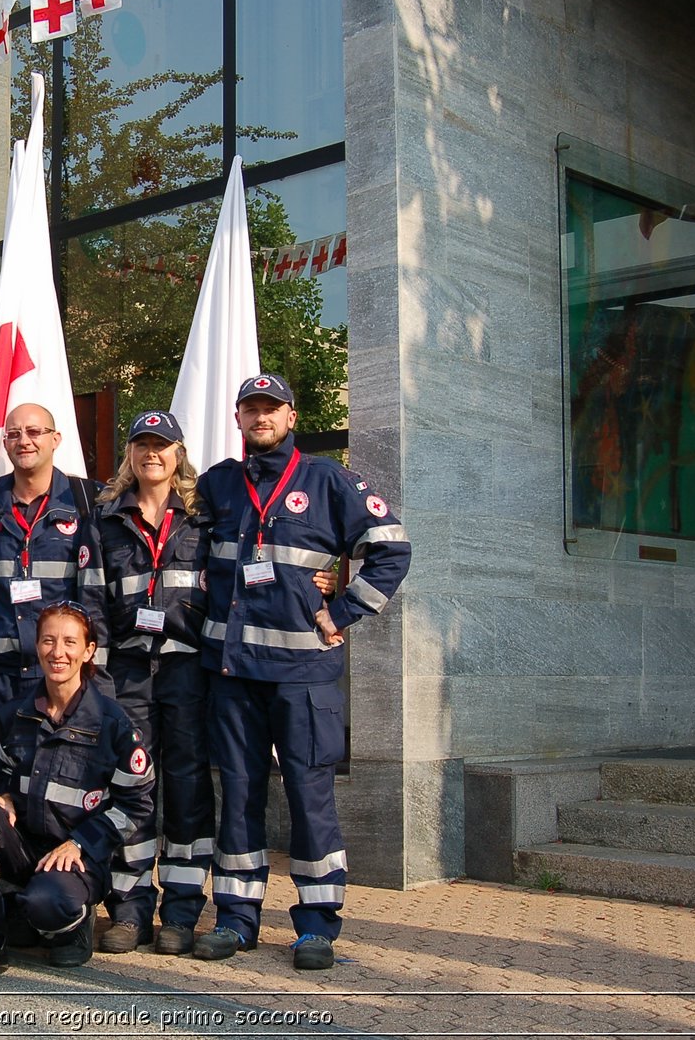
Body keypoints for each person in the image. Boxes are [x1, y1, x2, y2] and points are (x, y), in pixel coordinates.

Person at [86, 411, 339, 955]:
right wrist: (98, 674)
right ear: (129, 455)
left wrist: (330, 578)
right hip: (127, 673)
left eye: (163, 445)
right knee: (130, 788)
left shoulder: (207, 514)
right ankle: (129, 911)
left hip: (189, 671)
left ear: (179, 454)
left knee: (188, 791)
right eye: (142, 445)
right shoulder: (106, 519)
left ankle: (180, 911)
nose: (152, 454)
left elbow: (254, 564)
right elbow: (92, 604)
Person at [193, 374, 411, 970]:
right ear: (238, 418)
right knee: (237, 795)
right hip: (233, 674)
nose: (261, 417)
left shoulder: (328, 479)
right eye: (251, 409)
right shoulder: (216, 485)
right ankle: (237, 920)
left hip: (303, 674)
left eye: (272, 409)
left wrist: (340, 609)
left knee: (310, 796)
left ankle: (316, 927)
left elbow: (391, 546)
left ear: (291, 417)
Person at [0, 600, 154, 986]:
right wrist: (3, 796)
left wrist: (80, 843)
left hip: (79, 859)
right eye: (48, 641)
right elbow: (0, 777)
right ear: (37, 647)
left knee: (48, 904)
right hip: (26, 850)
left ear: (88, 650)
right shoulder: (13, 715)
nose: (58, 653)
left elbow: (136, 804)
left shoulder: (113, 723)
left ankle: (68, 924)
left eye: (70, 643)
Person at [0, 403, 103, 787]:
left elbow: (97, 595)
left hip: (60, 670)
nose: (24, 441)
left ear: (56, 439)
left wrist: (93, 667)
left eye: (35, 432)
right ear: (5, 444)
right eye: (14, 433)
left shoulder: (86, 500)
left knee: (63, 777)